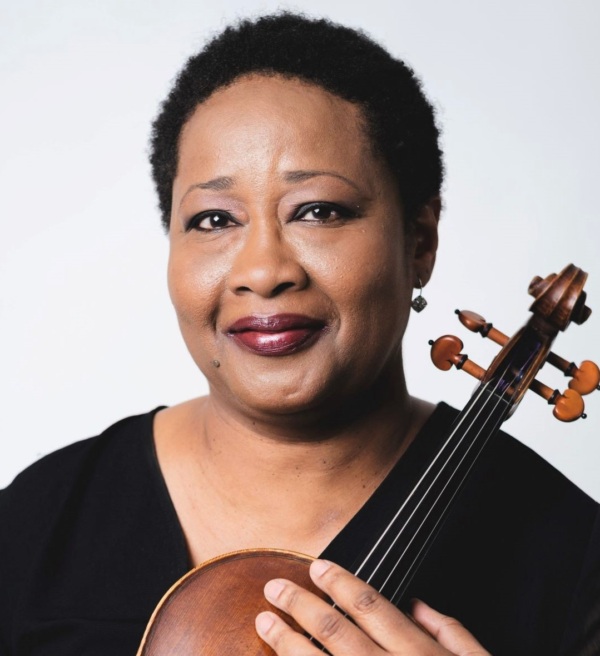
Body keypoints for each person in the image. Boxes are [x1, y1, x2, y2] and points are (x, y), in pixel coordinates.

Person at [1, 12, 598, 656]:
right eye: (212, 219)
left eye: (319, 211)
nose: (263, 271)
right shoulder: (37, 527)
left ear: (419, 240)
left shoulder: (574, 561)